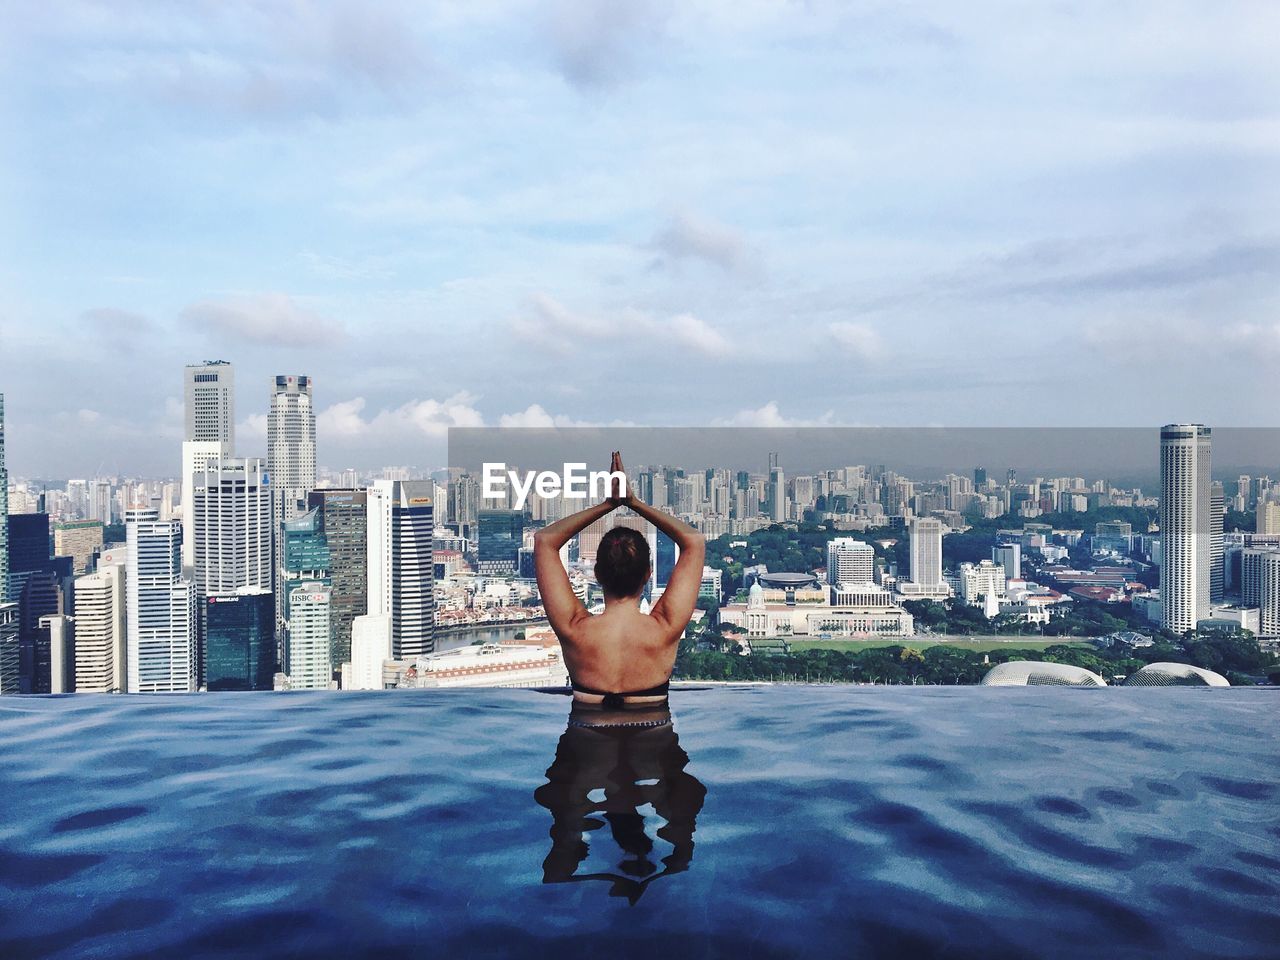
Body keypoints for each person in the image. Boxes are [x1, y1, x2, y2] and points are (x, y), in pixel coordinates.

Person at [534, 451, 706, 714]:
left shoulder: (573, 629)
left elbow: (545, 540)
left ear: (597, 573)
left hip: (585, 746)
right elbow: (693, 541)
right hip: (653, 746)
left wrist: (608, 504)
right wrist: (633, 503)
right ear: (648, 574)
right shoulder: (665, 628)